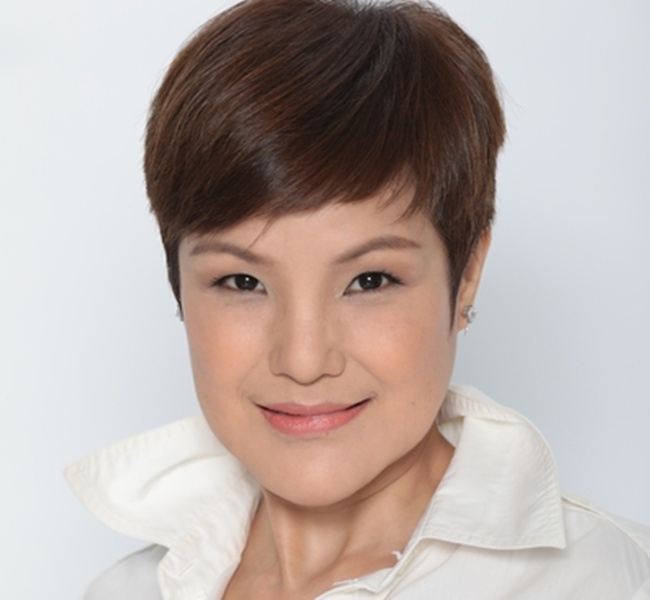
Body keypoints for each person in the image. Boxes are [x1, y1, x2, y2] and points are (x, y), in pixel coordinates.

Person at [66, 0, 650, 598]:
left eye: (370, 281)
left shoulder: (611, 583)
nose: (303, 360)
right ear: (178, 284)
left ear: (467, 274)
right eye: (243, 282)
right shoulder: (125, 590)